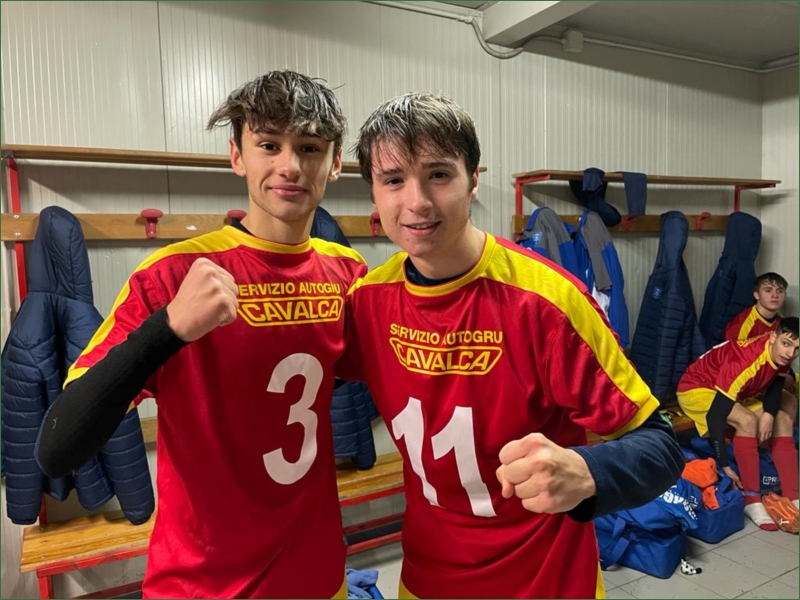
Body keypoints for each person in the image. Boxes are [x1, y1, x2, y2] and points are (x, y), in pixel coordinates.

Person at [337, 92, 684, 599]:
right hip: (425, 580)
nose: (417, 201)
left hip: (545, 583)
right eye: (393, 180)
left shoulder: (548, 302)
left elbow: (661, 446)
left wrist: (588, 469)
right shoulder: (367, 301)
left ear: (473, 180)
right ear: (373, 191)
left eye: (439, 174)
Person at [35, 71, 367, 598]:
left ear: (335, 162)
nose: (289, 165)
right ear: (237, 156)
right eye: (269, 145)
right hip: (202, 586)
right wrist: (167, 329)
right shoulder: (173, 275)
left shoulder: (348, 275)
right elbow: (58, 449)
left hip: (318, 576)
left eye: (309, 147)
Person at [677, 317, 799, 531]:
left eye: (797, 348)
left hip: (735, 390)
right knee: (747, 420)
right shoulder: (745, 361)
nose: (790, 353)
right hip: (697, 388)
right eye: (786, 344)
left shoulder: (781, 352)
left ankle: (793, 495)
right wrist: (724, 464)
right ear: (773, 337)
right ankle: (752, 500)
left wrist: (769, 414)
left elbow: (776, 382)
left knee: (785, 412)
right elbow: (715, 416)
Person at [725, 272, 788, 341]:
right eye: (768, 290)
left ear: (785, 296)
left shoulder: (784, 323)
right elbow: (731, 348)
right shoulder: (742, 324)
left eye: (780, 291)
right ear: (756, 295)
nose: (775, 295)